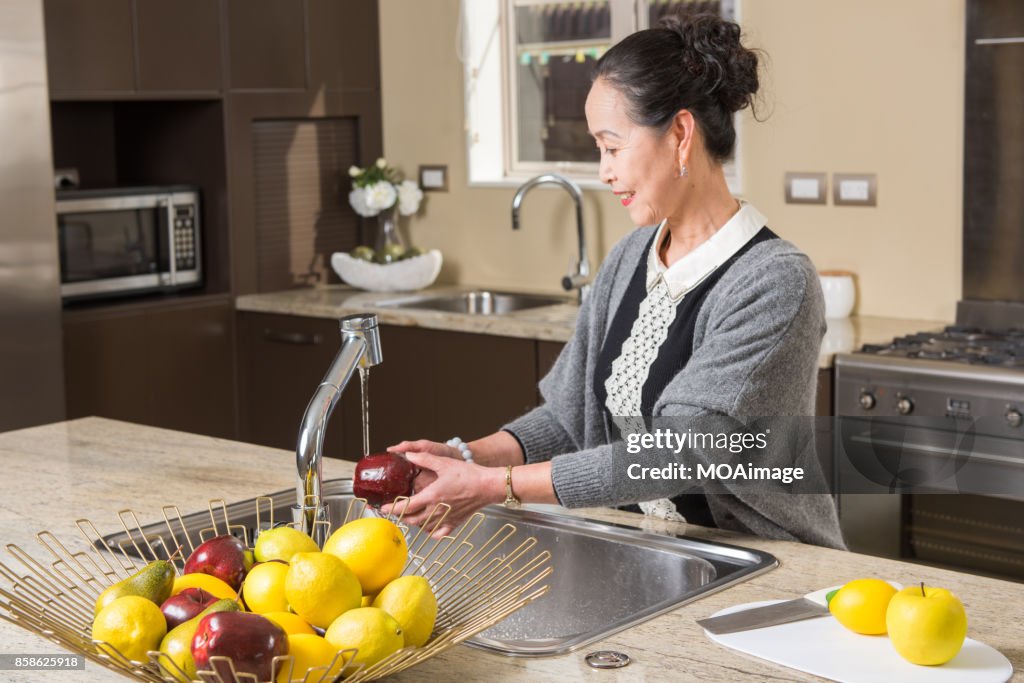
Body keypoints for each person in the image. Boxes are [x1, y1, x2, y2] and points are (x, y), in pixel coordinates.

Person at [382, 12, 844, 549]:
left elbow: (676, 455)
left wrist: (491, 486)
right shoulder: (630, 257)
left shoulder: (774, 283)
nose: (603, 171)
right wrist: (468, 456)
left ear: (680, 134)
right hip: (652, 547)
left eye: (612, 146)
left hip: (763, 561)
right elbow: (571, 417)